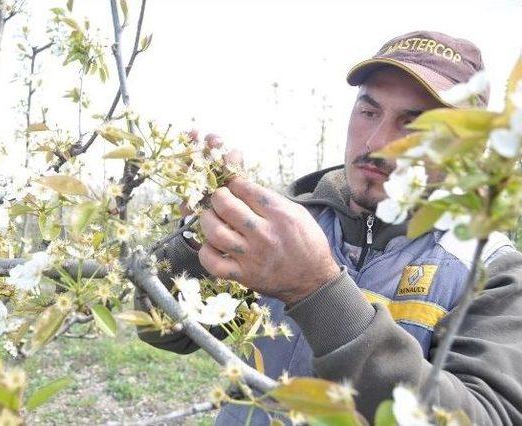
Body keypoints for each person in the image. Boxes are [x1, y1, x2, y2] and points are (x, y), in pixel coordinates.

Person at [136, 30, 522, 424]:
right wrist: (204, 230)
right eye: (368, 112)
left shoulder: (493, 272)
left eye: (416, 125)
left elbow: (488, 416)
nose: (375, 142)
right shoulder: (286, 225)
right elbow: (166, 333)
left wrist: (317, 291)